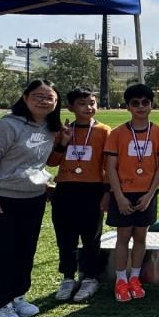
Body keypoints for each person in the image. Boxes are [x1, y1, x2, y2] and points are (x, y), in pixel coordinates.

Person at [0, 80, 62, 317]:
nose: (44, 101)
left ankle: (18, 296)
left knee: (25, 252)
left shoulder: (51, 128)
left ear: (56, 102)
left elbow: (39, 163)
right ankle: (1, 306)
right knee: (1, 253)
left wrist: (44, 183)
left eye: (49, 98)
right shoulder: (7, 125)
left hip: (32, 199)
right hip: (1, 200)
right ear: (25, 98)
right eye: (38, 96)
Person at [104, 83, 159, 302]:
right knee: (123, 237)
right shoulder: (117, 134)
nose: (141, 107)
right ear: (127, 107)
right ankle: (120, 279)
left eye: (145, 102)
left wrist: (150, 195)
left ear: (151, 105)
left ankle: (135, 277)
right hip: (123, 193)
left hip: (146, 195)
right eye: (135, 103)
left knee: (141, 237)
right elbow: (110, 168)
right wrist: (119, 197)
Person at [46, 87, 111, 302]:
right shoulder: (63, 130)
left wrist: (107, 193)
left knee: (91, 237)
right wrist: (63, 141)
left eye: (92, 103)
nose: (88, 107)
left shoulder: (104, 131)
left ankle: (90, 278)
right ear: (70, 107)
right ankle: (67, 278)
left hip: (93, 190)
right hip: (65, 190)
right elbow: (51, 162)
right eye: (82, 104)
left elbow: (109, 166)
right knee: (65, 238)